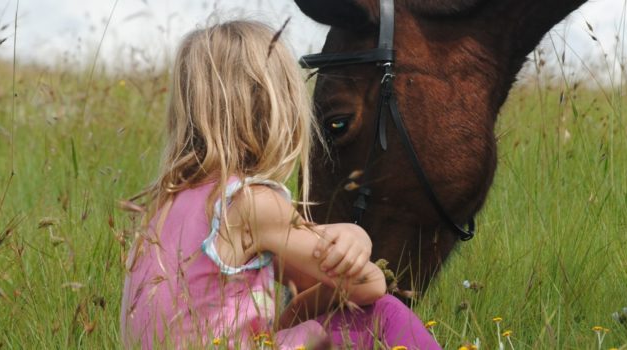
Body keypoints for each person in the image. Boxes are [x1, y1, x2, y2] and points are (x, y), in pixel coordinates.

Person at [120, 20, 441, 350]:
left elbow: (293, 311)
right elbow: (369, 285)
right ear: (278, 107)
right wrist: (356, 236)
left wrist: (330, 280)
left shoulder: (162, 209)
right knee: (384, 313)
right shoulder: (250, 203)